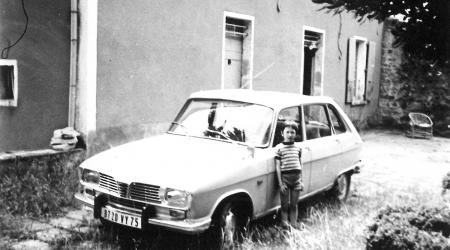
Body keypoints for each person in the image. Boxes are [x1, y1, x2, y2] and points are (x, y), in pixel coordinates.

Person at [275, 120, 303, 229]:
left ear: (296, 134)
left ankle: (294, 224)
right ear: (282, 133)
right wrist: (280, 184)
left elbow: (301, 164)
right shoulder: (279, 148)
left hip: (296, 180)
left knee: (294, 204)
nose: (290, 135)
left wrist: (301, 181)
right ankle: (285, 225)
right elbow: (277, 167)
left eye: (292, 132)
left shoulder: (298, 147)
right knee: (284, 205)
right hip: (285, 180)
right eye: (287, 132)